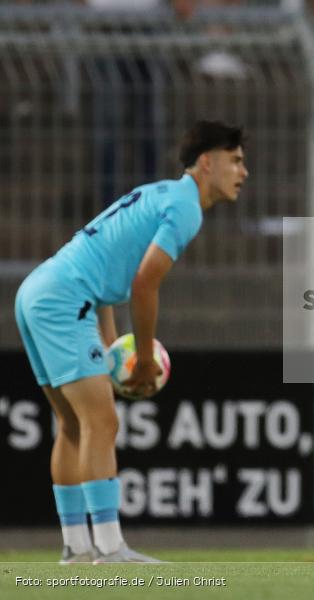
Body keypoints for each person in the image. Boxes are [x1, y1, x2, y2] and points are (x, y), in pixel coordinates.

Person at [14, 121, 248, 563]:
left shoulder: (158, 193)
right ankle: (109, 547)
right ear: (206, 162)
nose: (243, 171)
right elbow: (144, 284)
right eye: (235, 160)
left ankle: (77, 548)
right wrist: (142, 357)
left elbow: (103, 272)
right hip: (66, 298)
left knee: (72, 425)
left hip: (38, 290)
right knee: (102, 424)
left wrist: (107, 347)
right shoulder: (185, 208)